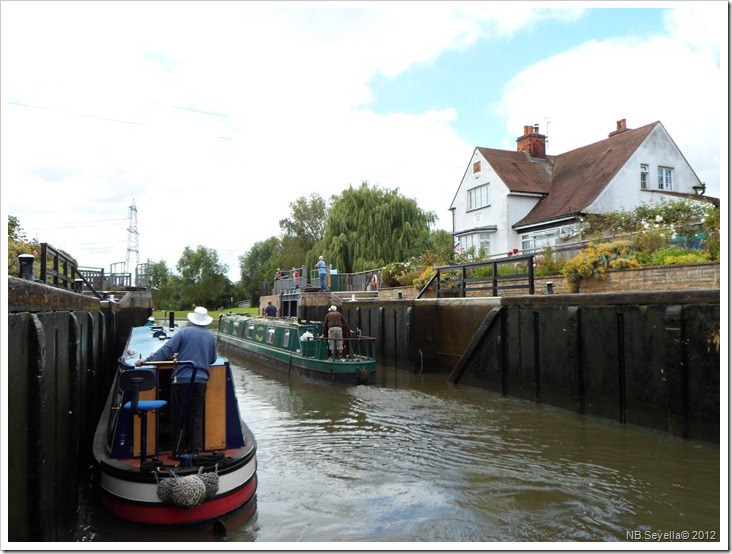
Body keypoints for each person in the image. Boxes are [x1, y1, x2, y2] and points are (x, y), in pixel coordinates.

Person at [135, 306, 217, 456]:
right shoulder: (211, 337)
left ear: (193, 319)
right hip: (200, 381)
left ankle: (178, 450)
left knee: (179, 415)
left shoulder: (184, 333)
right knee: (195, 415)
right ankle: (194, 450)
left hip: (181, 381)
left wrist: (146, 361)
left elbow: (166, 351)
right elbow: (213, 359)